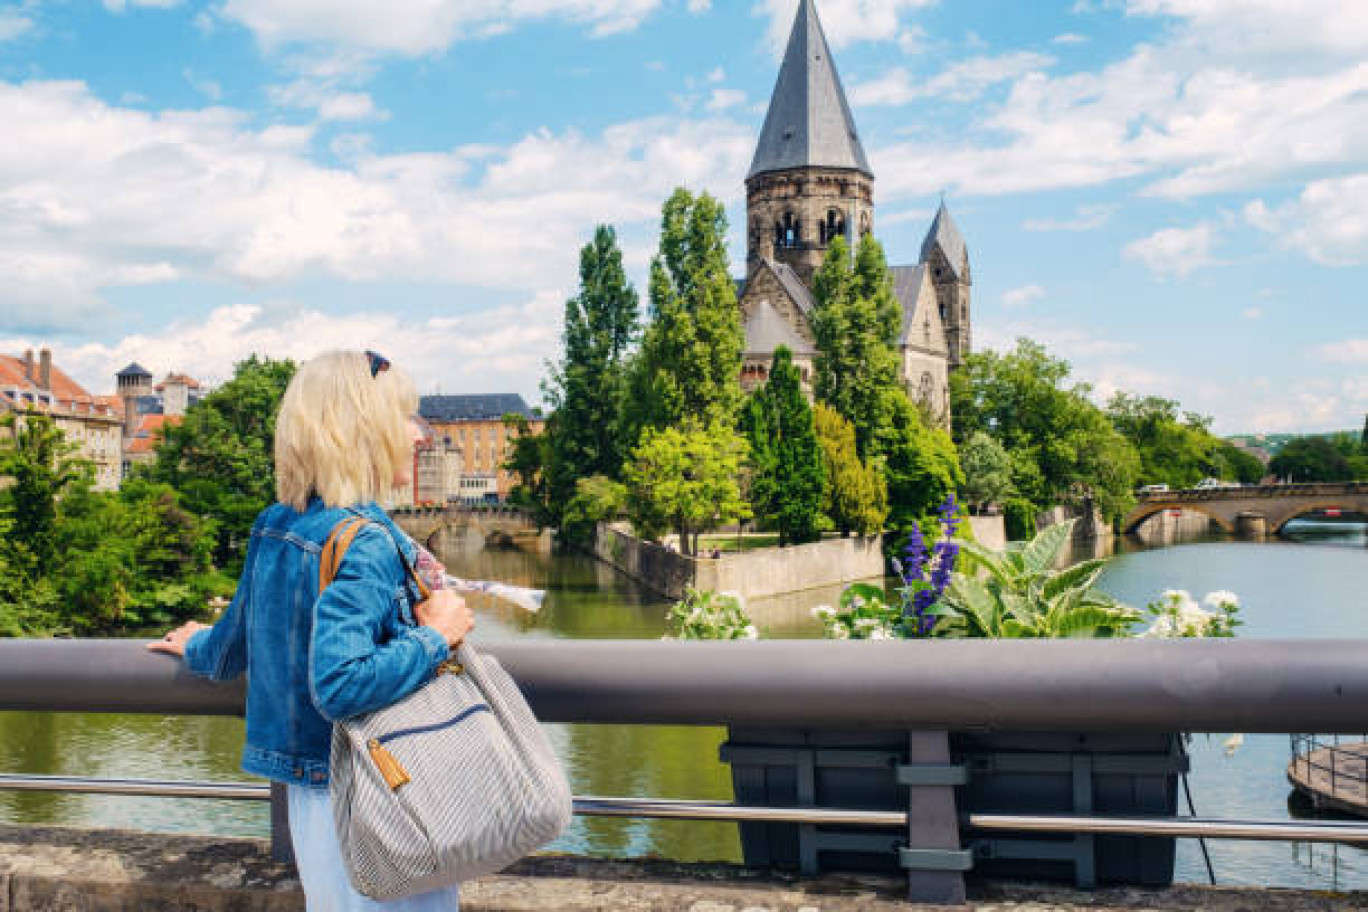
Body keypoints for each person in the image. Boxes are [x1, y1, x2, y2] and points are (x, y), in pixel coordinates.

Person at [150, 350, 474, 910]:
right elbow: (340, 684)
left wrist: (193, 643)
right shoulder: (367, 540)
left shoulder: (276, 523)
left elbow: (230, 651)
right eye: (405, 417)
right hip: (379, 795)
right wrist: (436, 636)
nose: (419, 435)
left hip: (310, 794)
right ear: (363, 429)